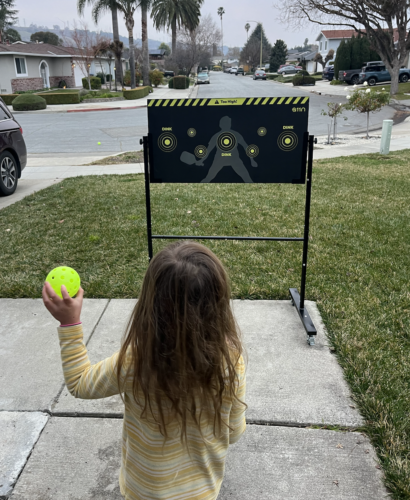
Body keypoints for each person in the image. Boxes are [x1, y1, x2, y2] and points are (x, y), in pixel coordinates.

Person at [42, 241, 247, 500]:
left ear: (150, 305)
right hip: (201, 492)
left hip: (143, 491)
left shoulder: (136, 362)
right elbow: (234, 432)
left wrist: (69, 323)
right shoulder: (230, 362)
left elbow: (80, 383)